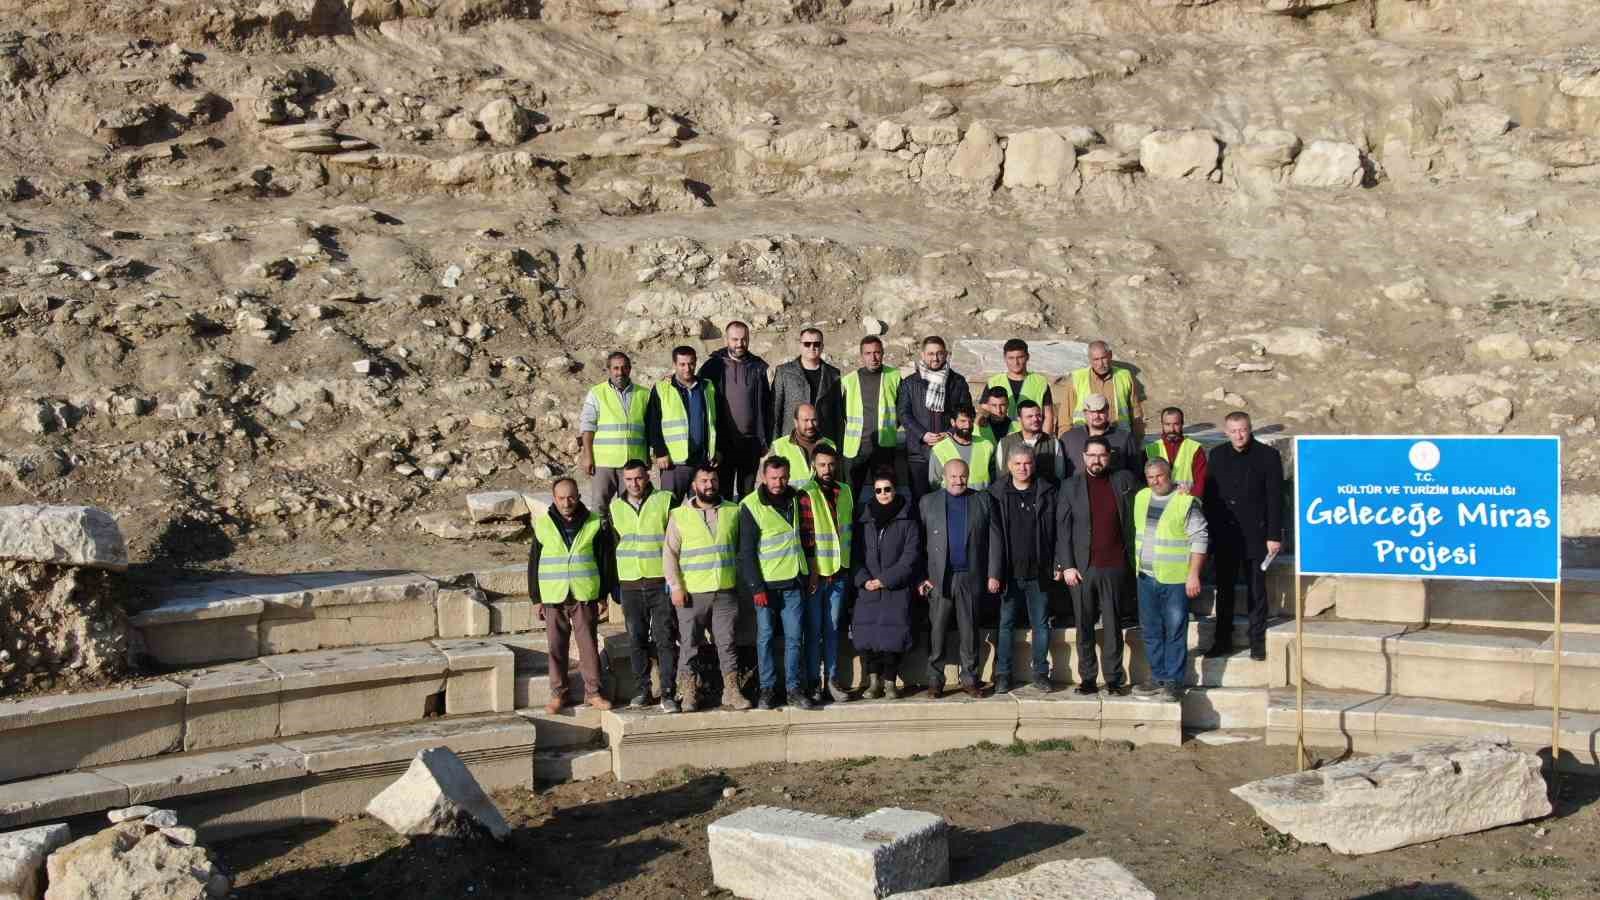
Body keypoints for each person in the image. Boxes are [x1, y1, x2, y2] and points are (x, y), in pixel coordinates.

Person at [1056, 437, 1139, 696]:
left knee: (1113, 626)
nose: (1097, 460)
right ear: (1083, 457)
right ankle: (1088, 678)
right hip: (1082, 568)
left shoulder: (1124, 480)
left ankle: (1114, 678)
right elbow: (1063, 528)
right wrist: (1066, 565)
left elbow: (1148, 499)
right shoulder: (1070, 486)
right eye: (1092, 455)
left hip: (1114, 565)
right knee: (1084, 625)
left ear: (1109, 456)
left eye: (1101, 455)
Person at [663, 464, 750, 710]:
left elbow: (740, 550)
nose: (709, 485)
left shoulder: (733, 511)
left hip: (725, 590)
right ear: (694, 485)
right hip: (692, 593)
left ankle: (731, 691)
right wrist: (676, 587)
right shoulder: (680, 515)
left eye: (712, 480)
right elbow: (670, 554)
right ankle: (689, 692)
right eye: (703, 481)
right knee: (689, 645)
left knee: (727, 643)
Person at [528, 477, 615, 713]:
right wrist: (536, 598)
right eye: (561, 498)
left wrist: (602, 595)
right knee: (556, 648)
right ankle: (558, 695)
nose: (567, 502)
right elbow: (534, 562)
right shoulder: (543, 524)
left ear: (578, 496)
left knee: (588, 646)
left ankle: (594, 693)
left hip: (584, 593)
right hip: (553, 596)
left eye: (571, 497)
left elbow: (605, 560)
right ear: (554, 498)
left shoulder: (594, 523)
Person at [918, 458, 1003, 698]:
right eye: (953, 476)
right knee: (937, 631)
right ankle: (935, 680)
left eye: (962, 476)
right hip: (939, 578)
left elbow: (995, 539)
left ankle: (970, 679)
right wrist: (923, 577)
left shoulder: (983, 499)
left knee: (969, 631)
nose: (958, 480)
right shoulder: (928, 502)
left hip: (970, 576)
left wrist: (993, 573)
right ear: (944, 477)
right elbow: (919, 543)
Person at [1202, 411, 1283, 661]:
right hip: (1225, 534)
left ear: (1250, 430)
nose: (1238, 435)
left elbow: (1275, 498)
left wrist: (1273, 534)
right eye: (1233, 430)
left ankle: (1257, 642)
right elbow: (1211, 498)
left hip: (1256, 535)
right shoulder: (1216, 455)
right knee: (1224, 590)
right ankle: (1222, 640)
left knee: (1256, 591)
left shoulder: (1268, 456)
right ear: (1226, 432)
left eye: (1243, 430)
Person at [738, 456, 818, 710]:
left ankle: (794, 689)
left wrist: (811, 571)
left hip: (794, 580)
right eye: (773, 478)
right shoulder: (750, 505)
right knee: (765, 638)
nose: (778, 482)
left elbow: (806, 538)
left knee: (795, 638)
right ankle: (767, 689)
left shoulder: (797, 498)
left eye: (783, 477)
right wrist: (756, 588)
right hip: (767, 585)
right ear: (763, 477)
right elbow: (747, 553)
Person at [1132, 458, 1209, 703]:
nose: (1155, 481)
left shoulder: (1185, 502)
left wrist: (1193, 574)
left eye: (1160, 476)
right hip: (1146, 577)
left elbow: (1200, 539)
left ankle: (1174, 682)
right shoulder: (1141, 497)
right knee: (1151, 631)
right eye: (1151, 477)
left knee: (1175, 630)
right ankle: (1158, 677)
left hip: (1175, 579)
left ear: (1170, 475)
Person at [609, 460, 678, 711]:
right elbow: (612, 548)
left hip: (660, 583)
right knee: (636, 639)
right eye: (628, 479)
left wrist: (675, 580)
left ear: (648, 476)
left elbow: (675, 541)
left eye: (638, 478)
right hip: (630, 584)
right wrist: (614, 584)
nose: (634, 484)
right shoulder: (615, 507)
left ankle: (668, 692)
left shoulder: (665, 500)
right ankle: (642, 690)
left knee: (665, 638)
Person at [989, 444, 1058, 693]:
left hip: (1039, 571)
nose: (1022, 468)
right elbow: (992, 537)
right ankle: (1004, 674)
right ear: (1008, 466)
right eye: (1017, 464)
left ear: (1034, 464)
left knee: (1040, 624)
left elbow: (1057, 531)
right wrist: (994, 572)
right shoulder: (996, 493)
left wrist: (1057, 564)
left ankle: (1041, 672)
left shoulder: (1047, 491)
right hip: (1008, 573)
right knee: (1005, 625)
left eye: (1027, 463)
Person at [854, 472, 922, 700]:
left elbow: (910, 557)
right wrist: (864, 580)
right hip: (869, 588)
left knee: (893, 638)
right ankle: (873, 682)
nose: (883, 494)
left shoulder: (908, 521)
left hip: (895, 588)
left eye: (888, 489)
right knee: (870, 637)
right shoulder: (864, 521)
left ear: (895, 490)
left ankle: (891, 682)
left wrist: (886, 579)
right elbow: (856, 555)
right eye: (878, 490)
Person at [800, 444, 854, 703]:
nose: (827, 469)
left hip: (839, 574)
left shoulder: (845, 492)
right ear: (813, 465)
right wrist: (811, 572)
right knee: (813, 630)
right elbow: (807, 536)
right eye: (822, 465)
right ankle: (812, 682)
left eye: (831, 464)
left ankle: (831, 680)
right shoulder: (806, 493)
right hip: (816, 575)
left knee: (832, 629)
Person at [698, 321, 772, 498]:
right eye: (735, 339)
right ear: (726, 339)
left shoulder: (758, 367)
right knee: (723, 492)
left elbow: (767, 405)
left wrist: (765, 439)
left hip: (751, 442)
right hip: (723, 442)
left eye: (744, 339)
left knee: (747, 493)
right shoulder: (712, 367)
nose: (740, 344)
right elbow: (695, 392)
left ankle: (744, 526)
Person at [898, 335, 973, 504]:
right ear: (923, 355)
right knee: (920, 500)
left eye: (939, 353)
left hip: (949, 449)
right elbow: (903, 413)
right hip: (919, 451)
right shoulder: (909, 383)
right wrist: (923, 434)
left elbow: (965, 412)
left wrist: (950, 433)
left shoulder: (957, 382)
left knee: (950, 497)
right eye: (931, 354)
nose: (935, 358)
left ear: (946, 354)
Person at [646, 345, 719, 501]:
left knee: (699, 509)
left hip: (702, 461)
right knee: (670, 506)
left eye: (691, 363)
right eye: (682, 364)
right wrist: (660, 452)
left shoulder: (707, 387)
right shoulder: (661, 388)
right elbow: (653, 424)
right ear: (674, 365)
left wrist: (717, 449)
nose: (687, 368)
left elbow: (715, 421)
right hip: (674, 463)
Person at [578, 351, 647, 513]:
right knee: (599, 507)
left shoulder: (644, 394)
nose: (620, 372)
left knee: (631, 508)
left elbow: (649, 428)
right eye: (615, 368)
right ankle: (600, 538)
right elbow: (587, 426)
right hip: (604, 463)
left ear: (629, 369)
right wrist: (588, 456)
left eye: (624, 368)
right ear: (609, 370)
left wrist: (646, 459)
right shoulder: (596, 393)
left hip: (632, 464)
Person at [840, 335, 902, 500]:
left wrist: (893, 426)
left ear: (883, 353)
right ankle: (849, 526)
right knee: (850, 495)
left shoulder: (894, 376)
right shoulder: (849, 380)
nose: (873, 357)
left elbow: (902, 408)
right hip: (855, 448)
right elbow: (842, 413)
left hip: (884, 447)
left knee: (885, 494)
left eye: (877, 352)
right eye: (868, 353)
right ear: (861, 356)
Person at [1058, 340, 1145, 442]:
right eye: (1096, 359)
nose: (1100, 364)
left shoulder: (1124, 376)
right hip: (1085, 440)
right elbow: (1065, 416)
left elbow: (1135, 412)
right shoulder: (1077, 378)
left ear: (1110, 355)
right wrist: (1064, 442)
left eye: (1103, 358)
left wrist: (1137, 439)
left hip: (1119, 438)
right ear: (1090, 359)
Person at [771, 328, 843, 448]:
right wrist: (774, 445)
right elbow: (775, 411)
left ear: (822, 346)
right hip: (791, 440)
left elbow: (838, 415)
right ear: (800, 346)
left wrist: (839, 447)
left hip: (823, 441)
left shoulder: (833, 374)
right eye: (807, 344)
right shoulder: (784, 372)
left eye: (816, 344)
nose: (812, 347)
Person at [1060, 393, 1143, 480]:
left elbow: (1136, 472)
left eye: (1101, 411)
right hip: (1077, 492)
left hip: (1114, 492)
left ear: (1107, 411)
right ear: (1085, 413)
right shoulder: (1069, 439)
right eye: (1092, 412)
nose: (1096, 416)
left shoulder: (1124, 438)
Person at [986, 338, 1056, 434]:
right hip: (999, 437)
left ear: (1027, 357)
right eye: (1011, 358)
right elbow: (984, 411)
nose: (1016, 362)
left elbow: (1048, 415)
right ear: (1004, 358)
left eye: (1020, 357)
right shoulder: (993, 382)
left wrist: (1045, 441)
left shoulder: (1040, 382)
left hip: (1032, 439)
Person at [767, 403, 837, 491]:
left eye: (814, 420)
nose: (810, 425)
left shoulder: (830, 445)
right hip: (791, 503)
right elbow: (767, 483)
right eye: (806, 420)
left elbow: (837, 483)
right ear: (796, 422)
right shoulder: (779, 446)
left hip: (820, 503)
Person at [928, 404, 996, 491]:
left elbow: (994, 476)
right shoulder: (939, 449)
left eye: (970, 421)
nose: (967, 426)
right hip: (951, 501)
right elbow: (934, 482)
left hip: (980, 499)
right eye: (963, 421)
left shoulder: (987, 445)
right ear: (953, 422)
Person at [1143, 406, 1207, 497]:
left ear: (1182, 424)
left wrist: (1192, 497)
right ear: (1162, 424)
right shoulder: (1150, 449)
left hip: (1185, 501)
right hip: (1158, 502)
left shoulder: (1195, 449)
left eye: (1176, 424)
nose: (1172, 429)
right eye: (1167, 424)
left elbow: (1201, 482)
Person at [999, 399, 1067, 484]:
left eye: (1038, 415)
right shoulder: (1005, 443)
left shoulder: (1053, 443)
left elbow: (1060, 475)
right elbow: (999, 477)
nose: (1035, 419)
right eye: (1030, 416)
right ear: (1019, 420)